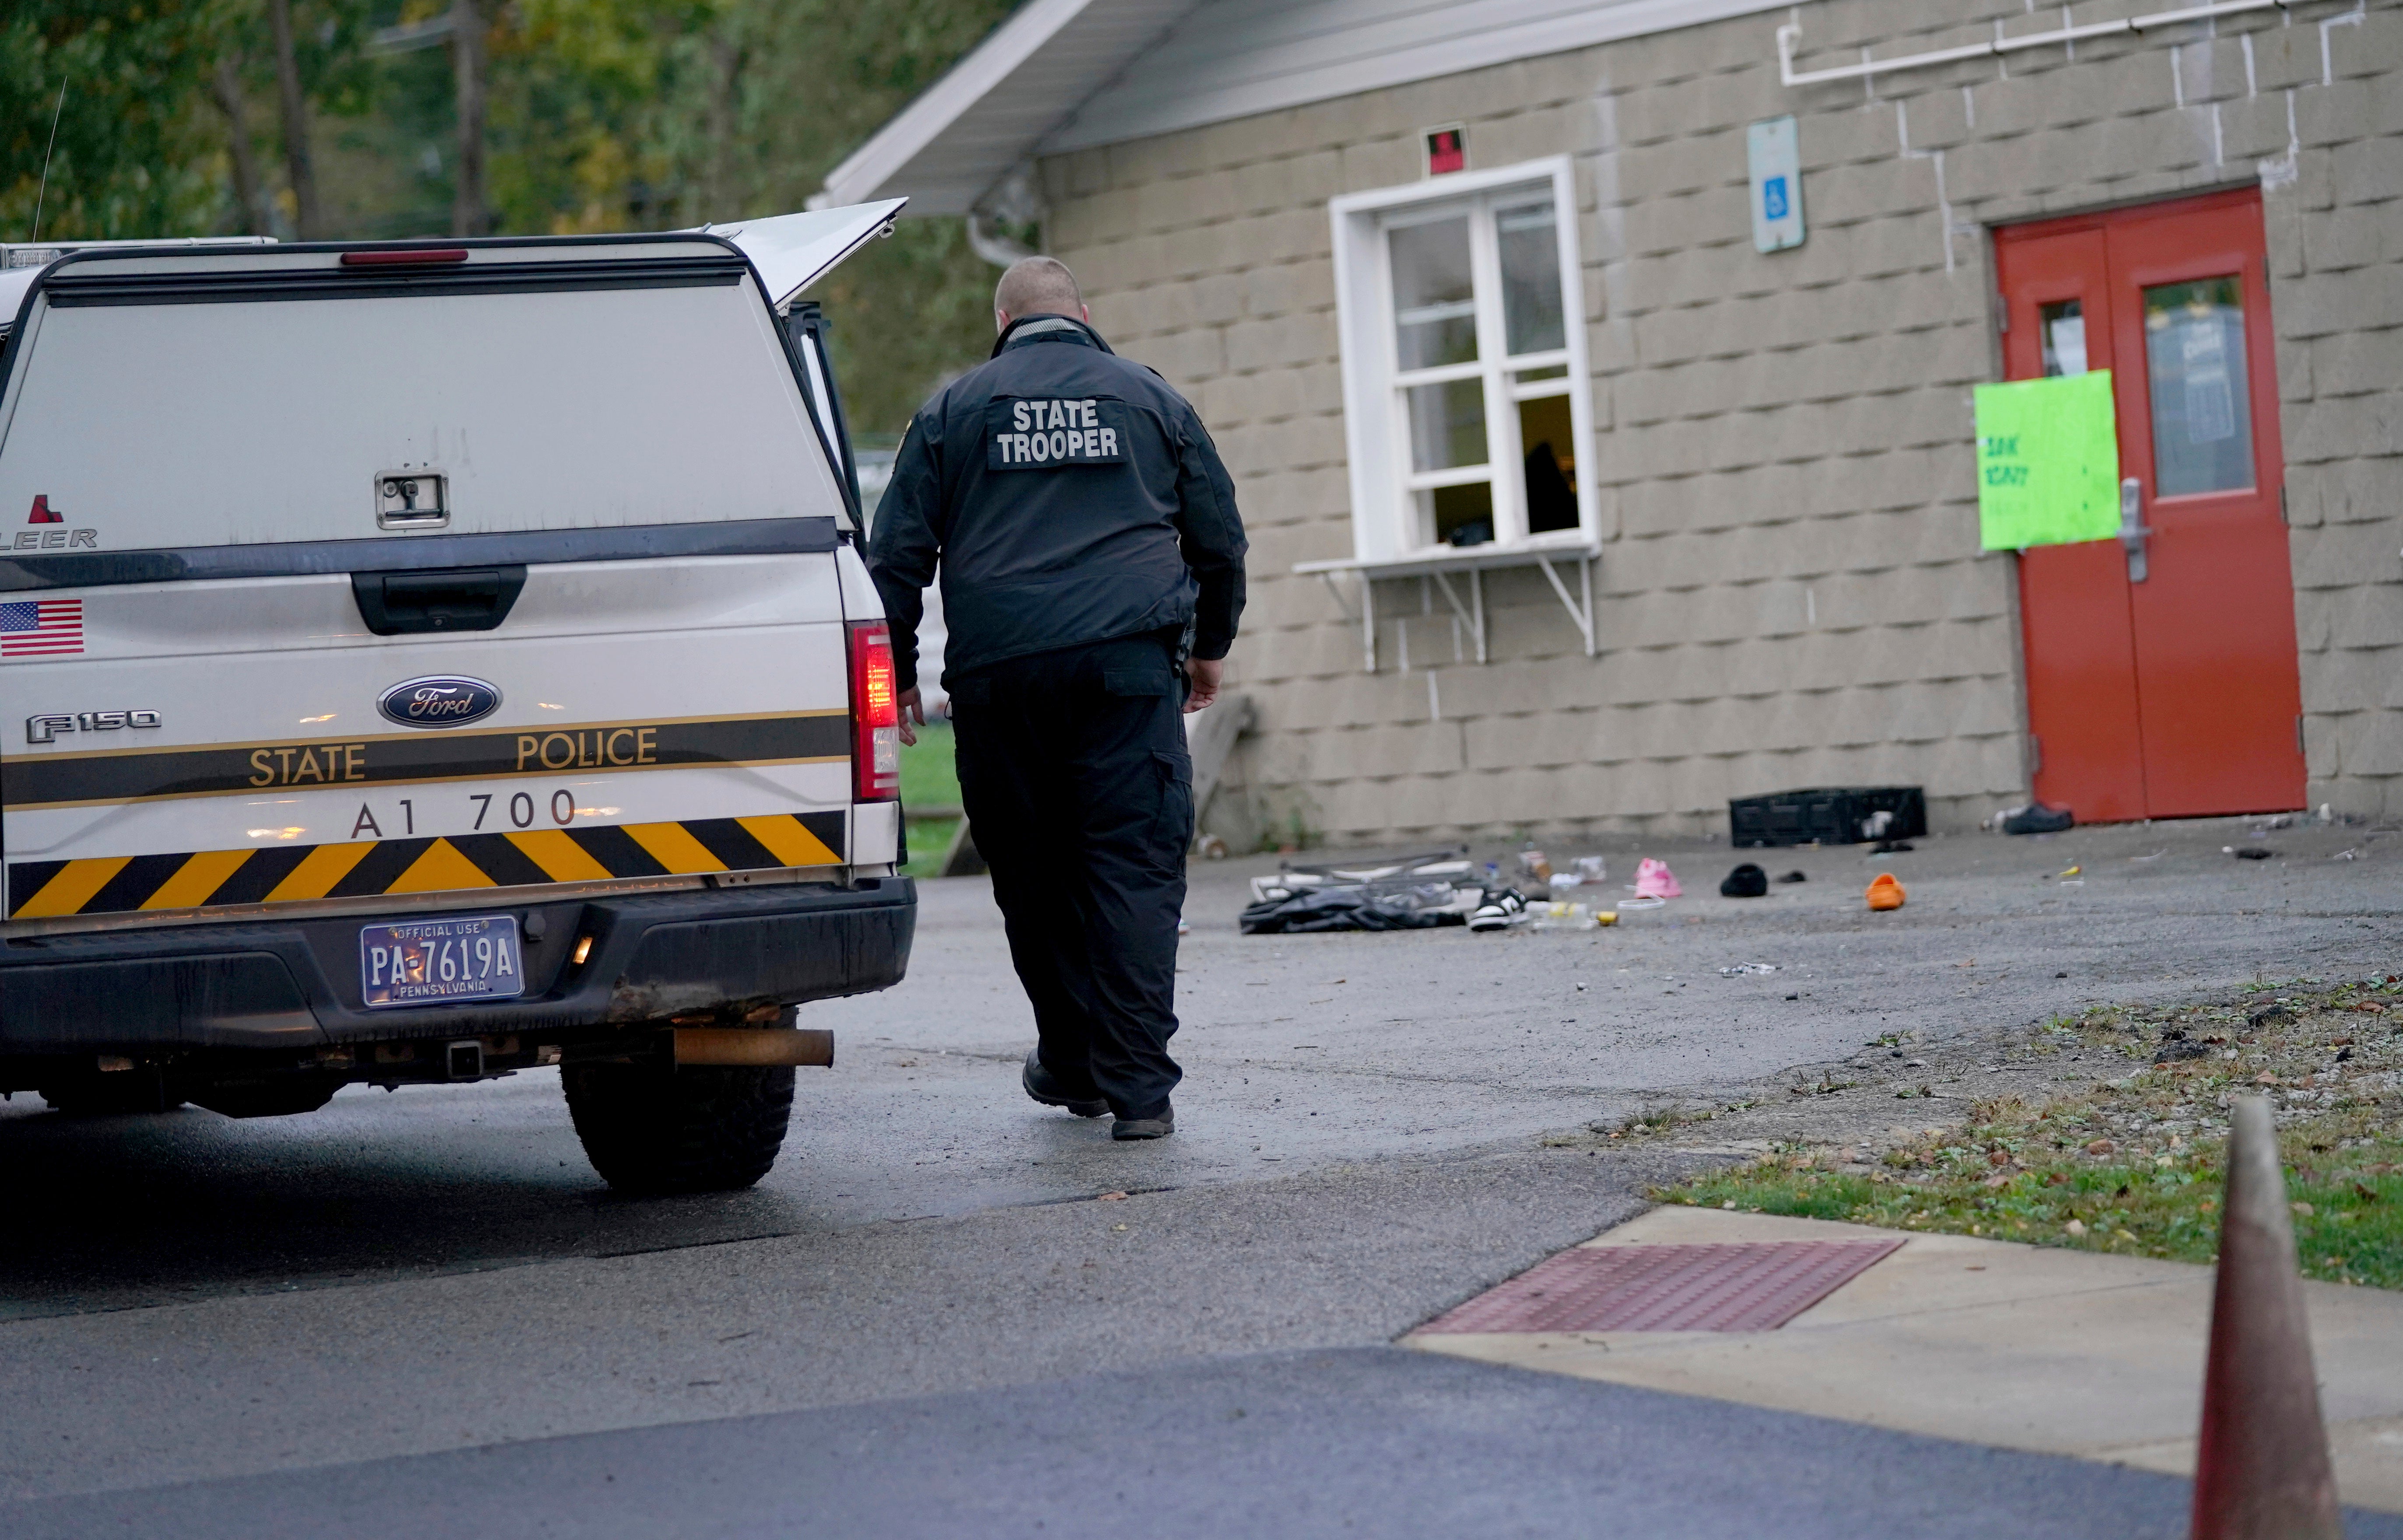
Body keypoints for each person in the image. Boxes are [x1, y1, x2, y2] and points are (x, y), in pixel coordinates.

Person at [868, 256, 1247, 1141]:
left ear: (1002, 324)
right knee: (1133, 866)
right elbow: (1220, 537)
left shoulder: (953, 413)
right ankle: (1138, 1091)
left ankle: (1076, 1063)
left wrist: (897, 679)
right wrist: (1210, 650)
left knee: (1036, 877)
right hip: (1126, 672)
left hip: (1001, 682)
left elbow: (894, 559)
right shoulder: (1150, 400)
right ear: (1082, 314)